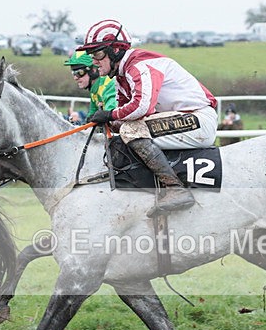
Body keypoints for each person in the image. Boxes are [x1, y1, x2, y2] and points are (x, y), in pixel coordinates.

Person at [79, 19, 218, 216]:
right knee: (125, 130)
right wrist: (108, 121)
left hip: (198, 119)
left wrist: (109, 114)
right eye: (91, 55)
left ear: (115, 50)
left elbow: (142, 107)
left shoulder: (139, 66)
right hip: (183, 119)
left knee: (131, 130)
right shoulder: (120, 76)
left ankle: (175, 189)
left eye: (98, 54)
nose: (94, 61)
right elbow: (124, 116)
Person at [63, 50, 117, 120]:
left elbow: (112, 116)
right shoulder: (94, 90)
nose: (75, 78)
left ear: (94, 70)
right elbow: (90, 116)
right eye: (73, 73)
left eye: (80, 72)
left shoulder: (108, 85)